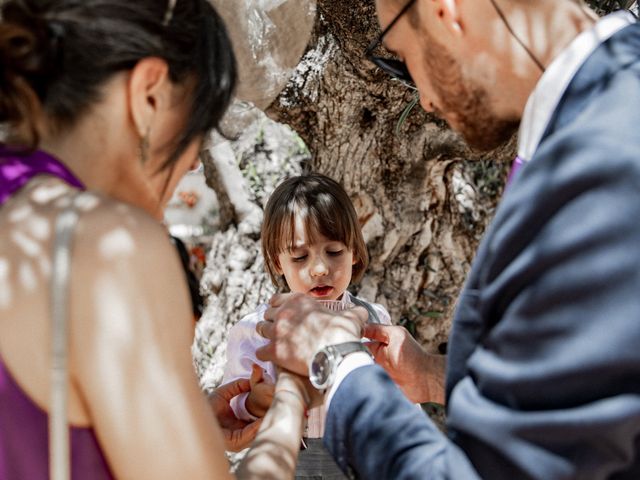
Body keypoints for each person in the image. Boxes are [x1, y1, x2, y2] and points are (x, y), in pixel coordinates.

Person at [255, 0, 640, 478]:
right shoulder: (617, 111)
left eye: (398, 56)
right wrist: (434, 377)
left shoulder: (599, 171)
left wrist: (335, 362)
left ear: (445, 11)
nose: (423, 100)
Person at [0, 0, 310, 478]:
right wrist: (291, 403)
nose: (191, 165)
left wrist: (183, 424)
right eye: (197, 129)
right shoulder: (106, 245)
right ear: (149, 94)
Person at [222, 173, 391, 479]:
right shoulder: (255, 329)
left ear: (353, 252)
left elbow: (399, 394)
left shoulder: (374, 319)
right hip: (289, 462)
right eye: (300, 257)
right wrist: (253, 403)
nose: (320, 269)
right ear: (278, 263)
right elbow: (233, 408)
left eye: (335, 252)